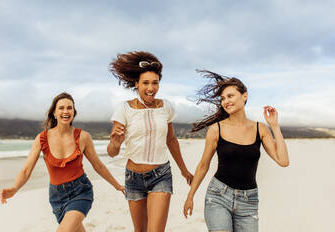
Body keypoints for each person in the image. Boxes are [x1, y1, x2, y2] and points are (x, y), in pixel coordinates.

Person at [0, 92, 125, 232]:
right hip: (56, 197)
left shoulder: (83, 137)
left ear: (73, 112)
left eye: (69, 108)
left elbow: (98, 165)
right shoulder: (42, 139)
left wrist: (117, 186)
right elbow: (26, 170)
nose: (66, 111)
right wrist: (14, 188)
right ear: (54, 112)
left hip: (80, 191)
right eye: (61, 108)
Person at [183, 70, 289, 232]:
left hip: (249, 201)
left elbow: (283, 161)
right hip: (218, 196)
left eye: (230, 96)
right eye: (223, 98)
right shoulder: (216, 129)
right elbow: (203, 165)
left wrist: (274, 125)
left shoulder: (260, 129)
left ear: (244, 96)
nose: (226, 101)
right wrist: (190, 196)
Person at [107, 51, 193, 232]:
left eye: (155, 83)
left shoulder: (166, 107)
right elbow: (112, 152)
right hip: (133, 177)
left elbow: (171, 140)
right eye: (145, 83)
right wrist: (116, 142)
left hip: (161, 175)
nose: (151, 88)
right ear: (136, 83)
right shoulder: (124, 108)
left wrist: (184, 170)